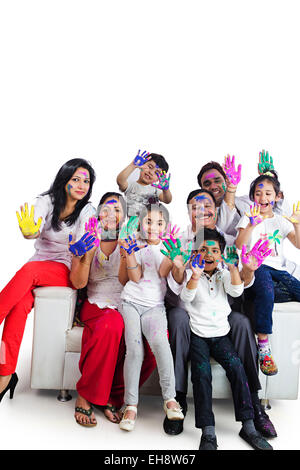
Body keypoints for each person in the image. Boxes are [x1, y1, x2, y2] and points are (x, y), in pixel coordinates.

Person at [163, 188, 277, 438]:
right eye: (195, 206)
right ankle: (178, 398)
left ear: (216, 211)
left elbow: (241, 284)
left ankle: (254, 404)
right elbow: (174, 286)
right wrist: (180, 267)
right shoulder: (179, 238)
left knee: (242, 322)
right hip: (186, 309)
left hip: (219, 314)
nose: (202, 210)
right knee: (180, 319)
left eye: (207, 206)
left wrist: (246, 268)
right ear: (189, 211)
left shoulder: (225, 241)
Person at [0, 158, 96, 402]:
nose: (81, 185)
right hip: (38, 263)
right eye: (76, 179)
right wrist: (29, 231)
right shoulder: (47, 201)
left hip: (65, 268)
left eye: (86, 181)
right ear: (64, 180)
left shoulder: (87, 211)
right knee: (18, 309)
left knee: (30, 271)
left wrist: (80, 249)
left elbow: (85, 243)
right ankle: (5, 373)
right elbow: (34, 225)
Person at [180, 228, 273, 450]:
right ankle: (208, 432)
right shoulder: (191, 274)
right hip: (199, 335)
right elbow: (186, 297)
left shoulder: (223, 274)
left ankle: (248, 426)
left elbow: (237, 292)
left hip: (221, 335)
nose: (209, 254)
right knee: (201, 375)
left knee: (237, 369)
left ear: (222, 254)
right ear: (195, 253)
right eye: (203, 250)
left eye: (214, 250)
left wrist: (233, 267)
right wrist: (194, 275)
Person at [70, 192, 157, 426]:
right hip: (96, 303)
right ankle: (86, 395)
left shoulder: (132, 240)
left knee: (155, 338)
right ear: (98, 213)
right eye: (107, 209)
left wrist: (126, 252)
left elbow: (128, 281)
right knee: (111, 324)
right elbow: (78, 283)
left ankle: (113, 396)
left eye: (118, 210)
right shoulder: (86, 236)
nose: (111, 214)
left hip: (128, 301)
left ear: (125, 215)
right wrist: (86, 256)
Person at [118, 202, 184, 431]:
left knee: (161, 345)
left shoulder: (168, 246)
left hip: (155, 307)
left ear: (166, 226)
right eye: (148, 222)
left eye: (159, 223)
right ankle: (131, 406)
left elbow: (162, 273)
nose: (153, 227)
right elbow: (134, 278)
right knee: (135, 350)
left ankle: (170, 400)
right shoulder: (133, 243)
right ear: (140, 223)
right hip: (130, 304)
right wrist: (129, 253)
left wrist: (174, 257)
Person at [235, 172, 300, 375]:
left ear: (277, 197)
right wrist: (252, 224)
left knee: (293, 290)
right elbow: (238, 244)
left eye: (268, 193)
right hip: (257, 266)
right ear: (253, 196)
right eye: (258, 193)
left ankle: (260, 296)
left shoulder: (280, 220)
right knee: (265, 291)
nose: (263, 198)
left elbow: (298, 244)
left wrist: (297, 224)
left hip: (279, 270)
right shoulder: (248, 216)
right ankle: (264, 345)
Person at [116, 150, 172, 217]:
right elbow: (120, 181)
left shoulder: (155, 190)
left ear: (158, 179)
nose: (151, 172)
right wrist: (133, 165)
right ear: (142, 165)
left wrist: (166, 190)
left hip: (149, 225)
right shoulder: (131, 185)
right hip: (131, 224)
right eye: (150, 167)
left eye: (157, 173)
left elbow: (167, 200)